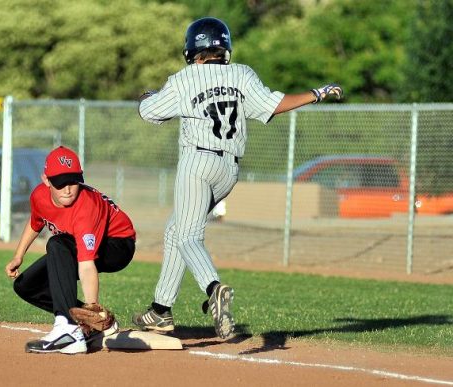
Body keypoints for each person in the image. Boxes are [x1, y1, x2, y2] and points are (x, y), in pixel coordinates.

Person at [132, 17, 343, 339]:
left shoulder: (184, 79)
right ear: (225, 47)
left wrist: (147, 97)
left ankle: (213, 288)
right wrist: (316, 93)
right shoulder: (242, 74)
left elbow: (149, 112)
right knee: (176, 230)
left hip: (198, 161)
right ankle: (160, 310)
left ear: (191, 50)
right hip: (229, 170)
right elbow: (276, 104)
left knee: (188, 236)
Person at [5, 146, 136, 354]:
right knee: (26, 285)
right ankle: (102, 324)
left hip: (118, 244)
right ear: (46, 180)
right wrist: (18, 256)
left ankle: (68, 330)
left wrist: (93, 307)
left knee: (58, 244)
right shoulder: (39, 196)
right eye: (60, 182)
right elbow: (35, 222)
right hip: (77, 243)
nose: (67, 189)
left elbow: (86, 265)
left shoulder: (85, 207)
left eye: (73, 181)